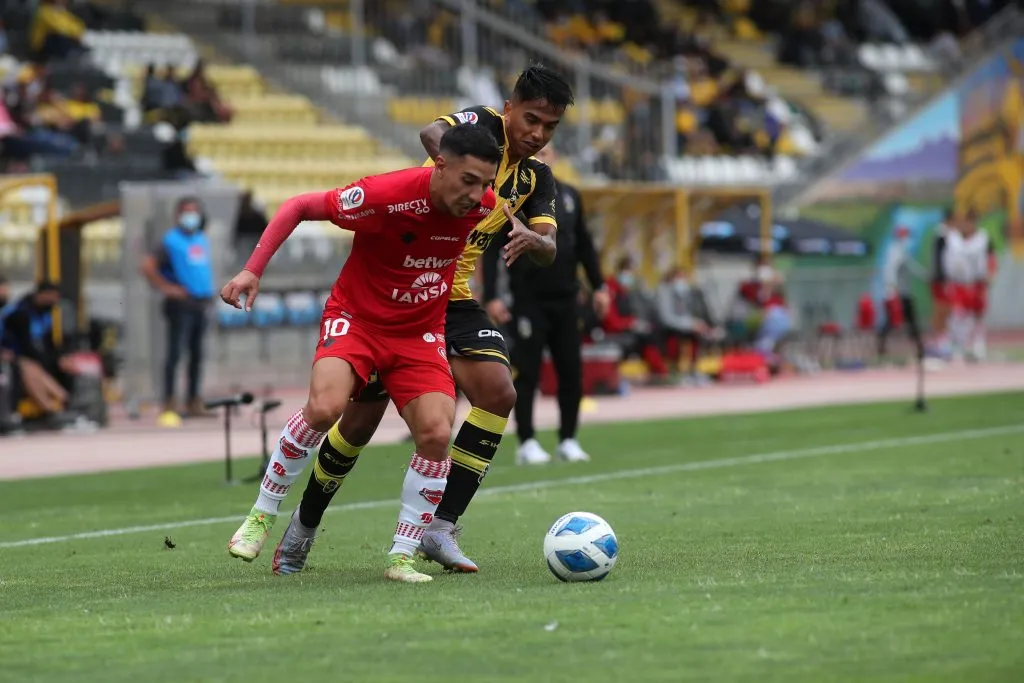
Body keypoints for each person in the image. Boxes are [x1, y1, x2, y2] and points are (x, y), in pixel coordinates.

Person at [232, 65, 573, 576]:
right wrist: (465, 181)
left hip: (448, 298)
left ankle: (437, 527)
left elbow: (549, 248)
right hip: (384, 293)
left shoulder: (535, 178)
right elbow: (432, 134)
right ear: (509, 109)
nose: (538, 134)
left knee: (495, 394)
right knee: (354, 424)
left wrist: (530, 237)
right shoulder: (475, 133)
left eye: (550, 127)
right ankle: (302, 521)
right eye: (531, 120)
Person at [225, 123, 502, 583]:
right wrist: (253, 270)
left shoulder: (484, 206)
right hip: (358, 321)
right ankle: (261, 515)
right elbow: (299, 206)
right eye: (468, 181)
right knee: (325, 409)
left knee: (437, 433)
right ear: (440, 165)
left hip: (418, 333)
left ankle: (402, 556)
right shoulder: (385, 195)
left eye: (485, 184)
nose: (477, 195)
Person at [482, 143, 609, 465]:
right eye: (536, 154)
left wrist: (599, 286)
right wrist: (492, 295)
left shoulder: (569, 196)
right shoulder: (512, 197)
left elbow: (584, 245)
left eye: (546, 153)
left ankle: (568, 439)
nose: (541, 157)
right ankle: (526, 441)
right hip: (528, 300)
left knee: (571, 371)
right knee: (527, 372)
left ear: (555, 158)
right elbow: (492, 247)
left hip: (567, 298)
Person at [140, 197, 216, 427]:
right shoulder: (170, 241)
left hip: (200, 303)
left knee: (196, 355)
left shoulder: (200, 238)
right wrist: (167, 288)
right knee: (175, 354)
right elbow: (148, 266)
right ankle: (169, 401)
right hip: (181, 305)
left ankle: (193, 400)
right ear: (178, 215)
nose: (191, 216)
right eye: (186, 212)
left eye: (195, 212)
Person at [877, 225, 926, 362]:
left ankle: (919, 348)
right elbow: (890, 270)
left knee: (908, 321)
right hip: (897, 294)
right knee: (893, 321)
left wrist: (926, 276)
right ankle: (882, 345)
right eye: (906, 236)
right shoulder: (894, 251)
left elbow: (911, 267)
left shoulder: (902, 251)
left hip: (903, 293)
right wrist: (893, 288)